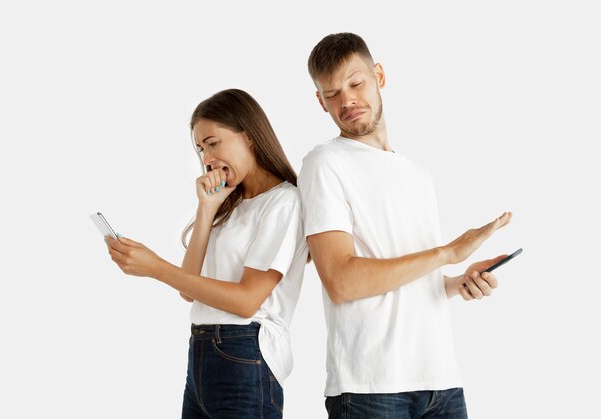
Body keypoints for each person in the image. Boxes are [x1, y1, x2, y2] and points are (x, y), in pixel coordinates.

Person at [298, 32, 513, 418]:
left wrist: (454, 282)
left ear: (379, 75)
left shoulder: (418, 177)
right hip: (371, 389)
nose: (346, 100)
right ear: (320, 102)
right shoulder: (325, 163)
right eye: (331, 94)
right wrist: (446, 253)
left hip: (442, 382)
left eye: (355, 82)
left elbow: (410, 280)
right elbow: (341, 282)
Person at [105, 88, 308, 418]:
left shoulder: (283, 202)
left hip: (245, 353)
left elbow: (246, 300)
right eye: (200, 148)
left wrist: (156, 267)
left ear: (250, 136)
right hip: (202, 352)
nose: (207, 158)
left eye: (213, 143)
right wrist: (207, 210)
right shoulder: (231, 205)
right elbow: (189, 289)